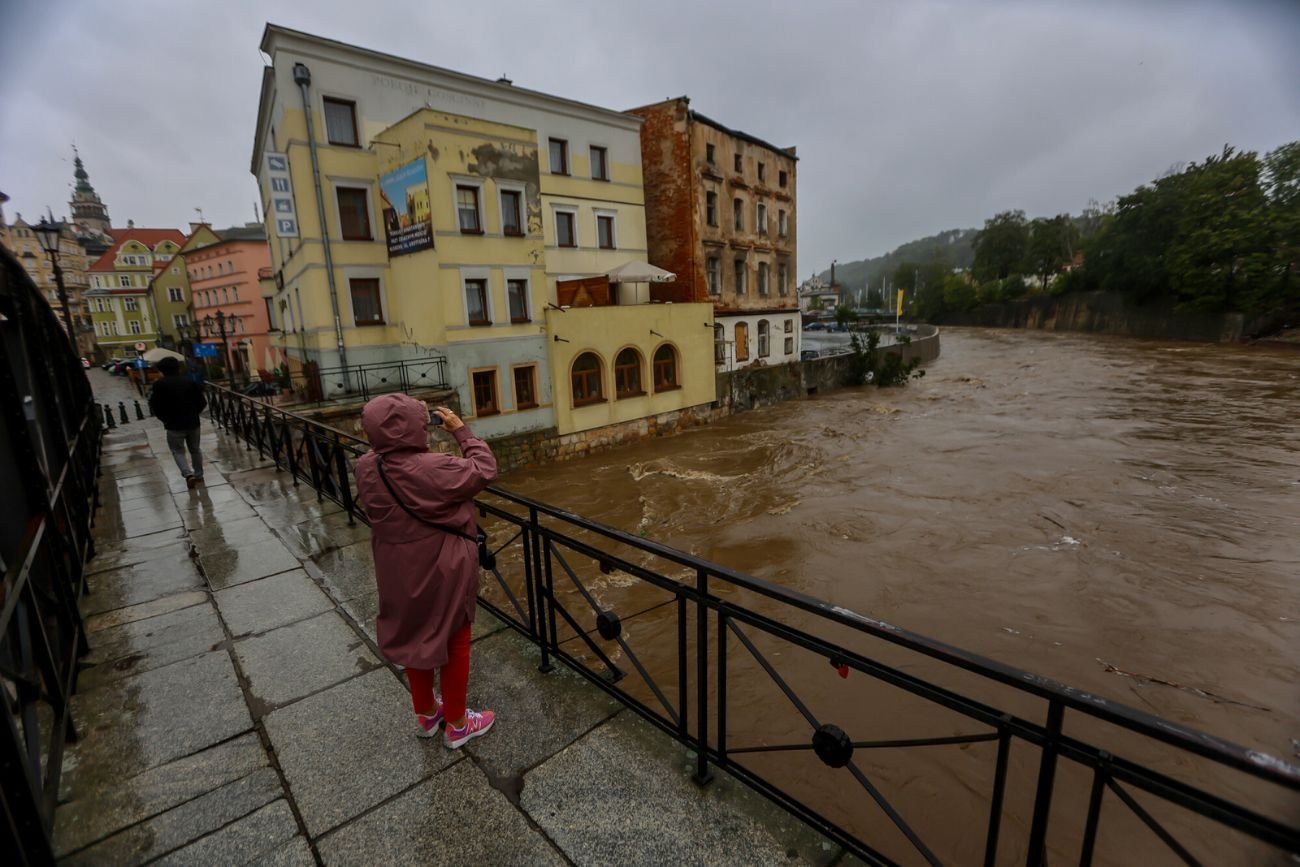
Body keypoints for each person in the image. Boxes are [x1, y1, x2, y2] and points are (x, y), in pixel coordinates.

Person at [354, 394, 498, 748]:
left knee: (412, 634)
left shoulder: (366, 466)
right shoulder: (434, 467)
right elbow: (484, 469)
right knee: (455, 637)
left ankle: (426, 714)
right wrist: (461, 431)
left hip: (395, 567)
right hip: (440, 564)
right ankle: (458, 724)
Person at [148, 356, 207, 488]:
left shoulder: (159, 385)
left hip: (173, 424)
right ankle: (199, 475)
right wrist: (194, 413)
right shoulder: (189, 382)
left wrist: (164, 418)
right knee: (195, 449)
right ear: (178, 368)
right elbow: (202, 402)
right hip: (192, 422)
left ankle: (188, 474)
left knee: (177, 451)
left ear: (162, 370)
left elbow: (155, 405)